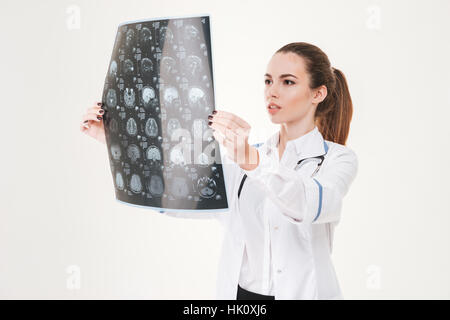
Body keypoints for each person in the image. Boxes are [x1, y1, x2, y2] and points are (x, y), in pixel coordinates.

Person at [80, 42, 358, 300]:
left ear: (317, 93)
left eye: (288, 82)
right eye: (268, 81)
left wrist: (250, 158)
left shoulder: (337, 159)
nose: (272, 91)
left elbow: (309, 204)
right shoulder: (249, 156)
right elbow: (177, 191)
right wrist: (115, 140)